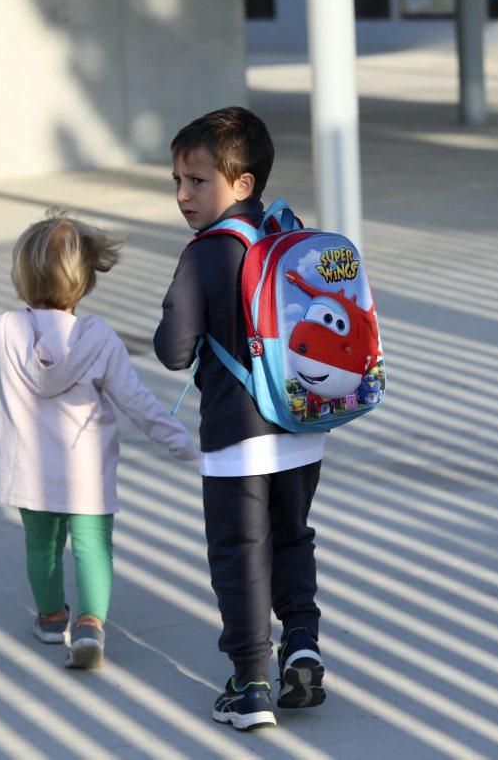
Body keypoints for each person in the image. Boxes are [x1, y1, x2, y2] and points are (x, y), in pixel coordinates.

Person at [0, 210, 199, 668]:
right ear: (84, 278)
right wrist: (183, 444)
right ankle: (91, 624)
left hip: (28, 472)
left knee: (42, 546)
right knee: (93, 546)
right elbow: (138, 403)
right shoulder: (99, 339)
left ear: (22, 275)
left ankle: (53, 618)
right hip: (86, 474)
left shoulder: (4, 329)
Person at [154, 107, 326, 730]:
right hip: (303, 432)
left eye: (197, 181)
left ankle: (251, 683)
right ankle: (302, 643)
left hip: (236, 440)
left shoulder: (204, 256)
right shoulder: (289, 234)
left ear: (242, 183)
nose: (182, 195)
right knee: (293, 537)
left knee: (238, 553)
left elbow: (174, 351)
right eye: (177, 180)